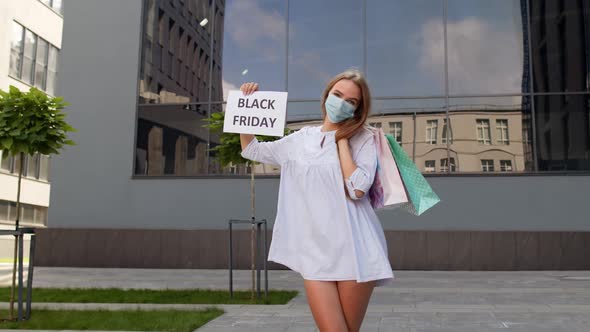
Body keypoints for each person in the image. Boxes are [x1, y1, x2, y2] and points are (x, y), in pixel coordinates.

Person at [239, 69, 393, 332]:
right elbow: (251, 150)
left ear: (357, 109)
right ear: (326, 96)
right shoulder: (301, 139)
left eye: (351, 101)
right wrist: (246, 106)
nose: (342, 103)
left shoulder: (365, 139)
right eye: (338, 95)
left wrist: (342, 140)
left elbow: (357, 189)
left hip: (356, 250)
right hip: (315, 253)